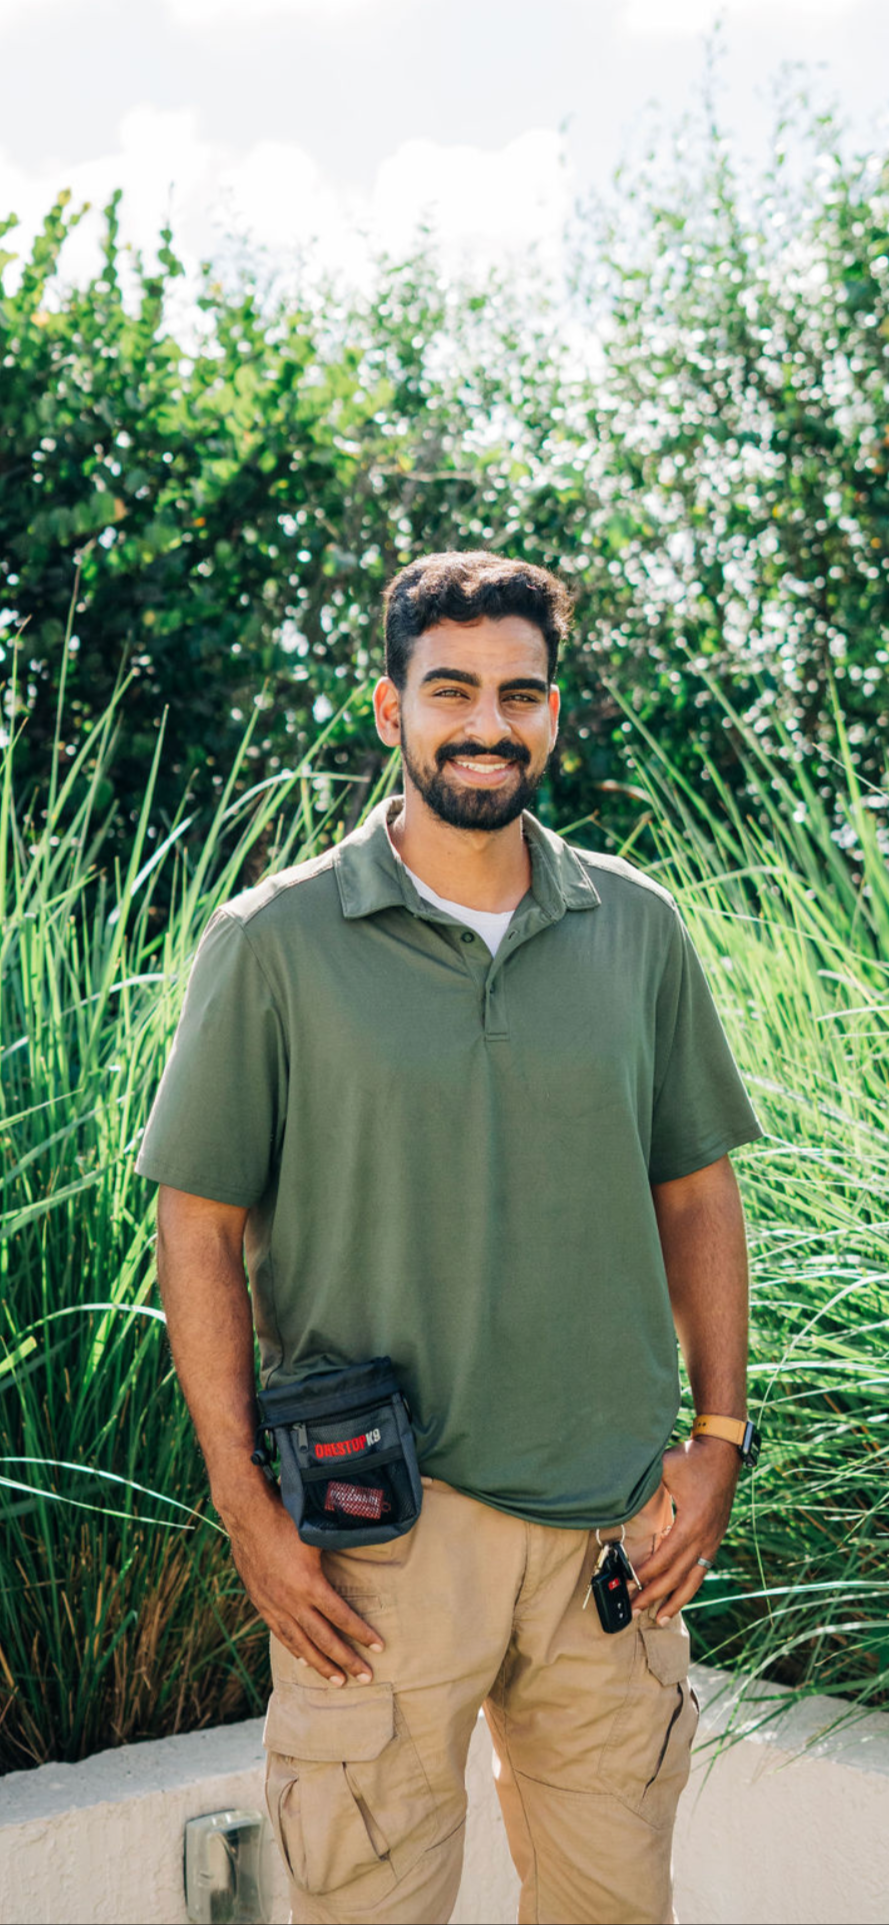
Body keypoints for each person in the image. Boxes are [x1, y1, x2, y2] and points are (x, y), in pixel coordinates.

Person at [137, 550, 764, 1925]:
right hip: (376, 1542)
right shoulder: (276, 940)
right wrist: (247, 1508)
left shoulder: (637, 929)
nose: (489, 722)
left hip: (613, 1533)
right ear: (389, 708)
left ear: (555, 713)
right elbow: (198, 1223)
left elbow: (696, 1195)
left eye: (521, 693)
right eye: (453, 689)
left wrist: (718, 1443)